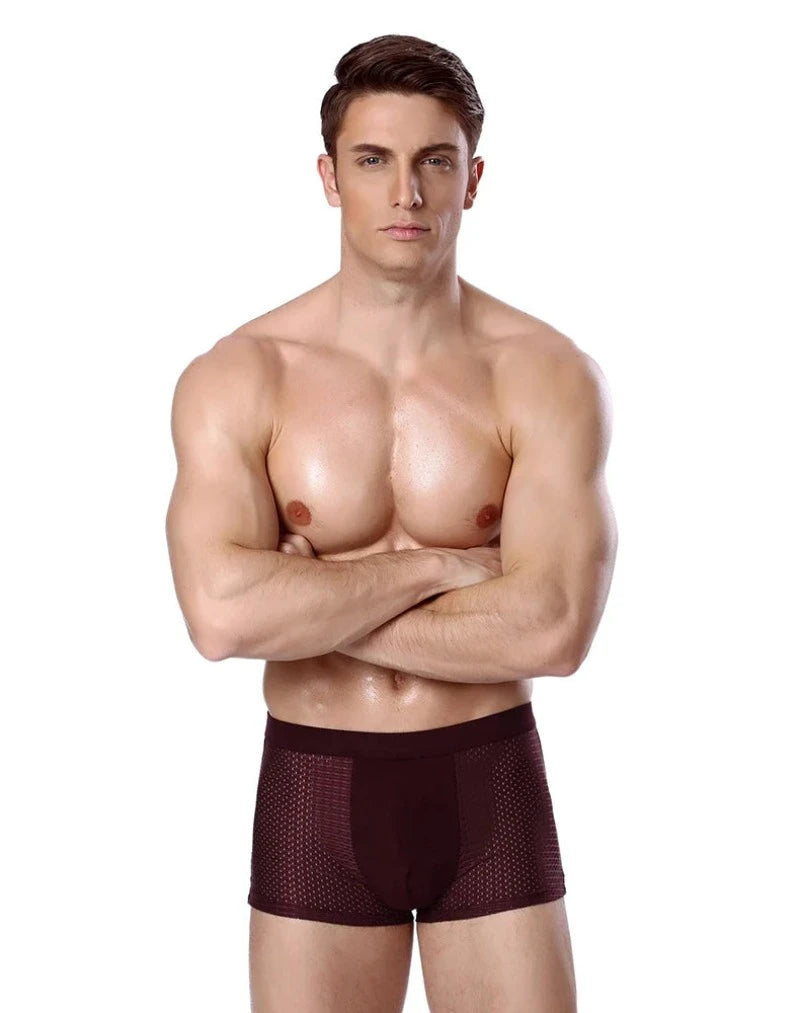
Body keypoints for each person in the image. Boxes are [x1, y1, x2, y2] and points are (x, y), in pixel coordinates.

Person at [165, 32, 617, 1013]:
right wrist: (447, 569)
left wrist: (309, 597)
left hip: (487, 781)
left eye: (434, 162)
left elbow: (552, 630)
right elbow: (221, 618)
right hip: (317, 783)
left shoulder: (544, 375)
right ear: (329, 178)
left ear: (473, 178)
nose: (405, 193)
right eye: (373, 160)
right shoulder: (241, 375)